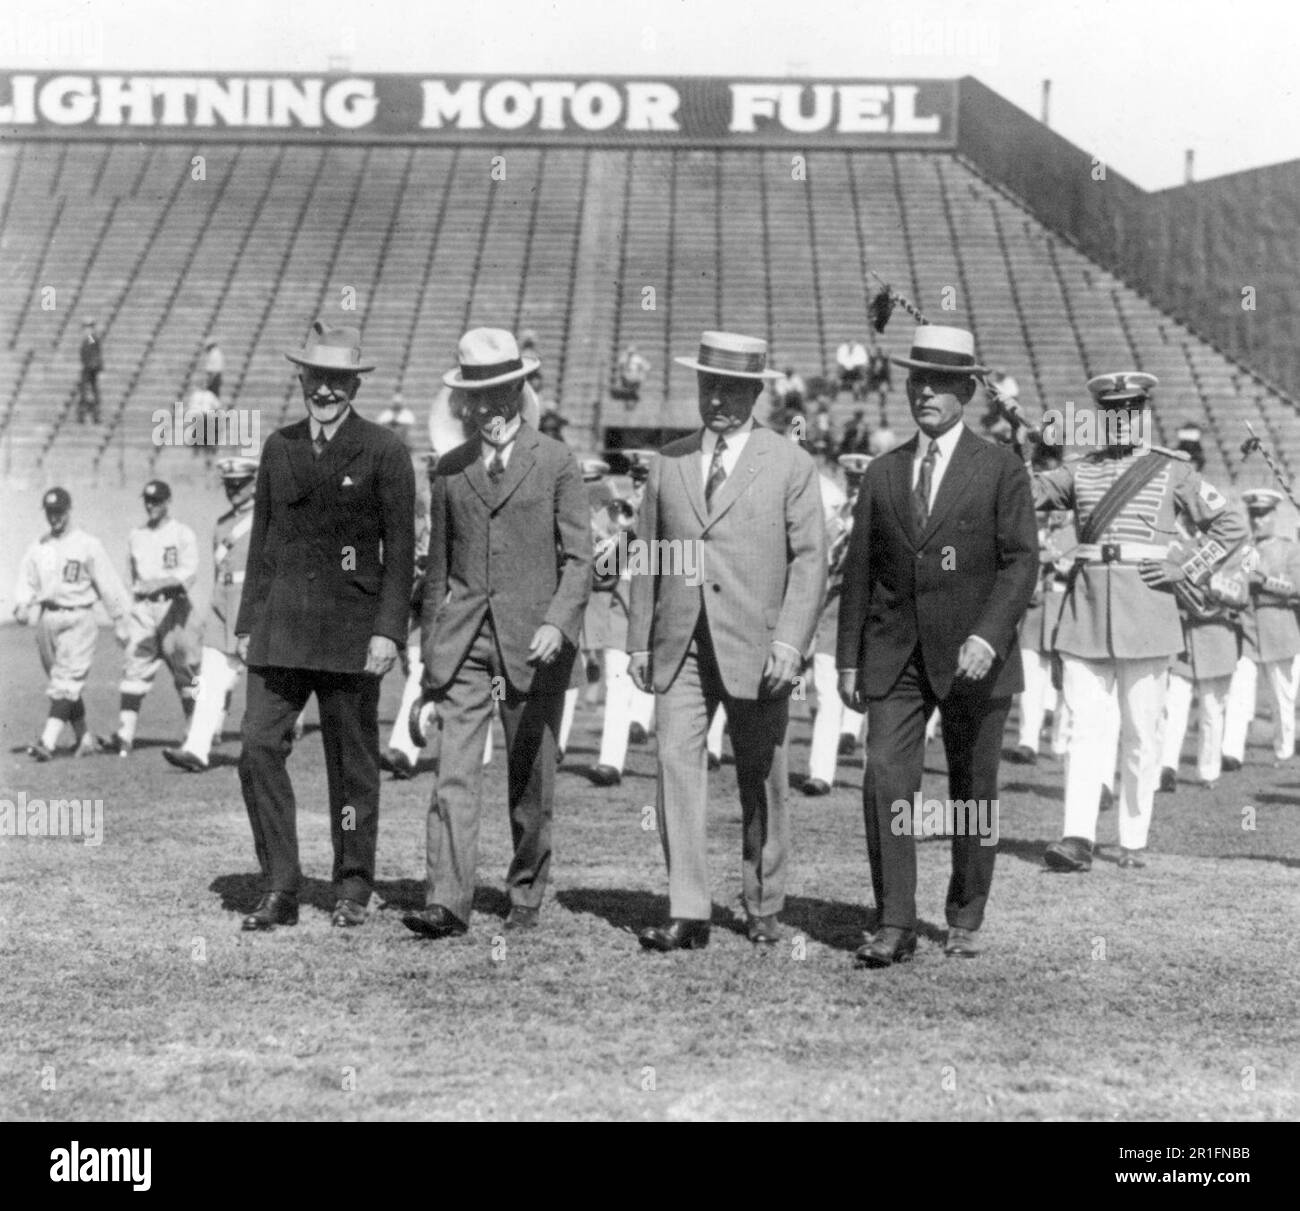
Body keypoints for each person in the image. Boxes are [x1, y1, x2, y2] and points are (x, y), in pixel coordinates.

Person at [837, 325, 1039, 967]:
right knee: (886, 780)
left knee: (972, 790)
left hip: (975, 657)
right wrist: (848, 659)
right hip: (894, 656)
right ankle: (894, 920)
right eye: (916, 379)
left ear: (968, 391)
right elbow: (860, 573)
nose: (924, 391)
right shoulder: (884, 472)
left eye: (940, 382)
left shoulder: (1002, 469)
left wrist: (988, 633)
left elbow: (1020, 563)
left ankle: (964, 914)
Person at [629, 330, 826, 952]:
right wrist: (639, 641)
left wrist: (791, 644)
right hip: (679, 643)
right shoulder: (670, 461)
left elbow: (811, 560)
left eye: (734, 389)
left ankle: (764, 902)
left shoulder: (790, 462)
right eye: (709, 385)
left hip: (759, 647)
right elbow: (650, 557)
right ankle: (688, 908)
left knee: (761, 776)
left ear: (755, 393)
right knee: (675, 766)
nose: (719, 399)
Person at [403, 329, 590, 940]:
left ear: (518, 391)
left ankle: (527, 889)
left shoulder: (559, 462)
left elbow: (580, 561)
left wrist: (557, 623)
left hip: (534, 644)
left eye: (498, 393)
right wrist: (430, 658)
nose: (486, 408)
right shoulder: (449, 470)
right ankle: (446, 901)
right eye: (474, 397)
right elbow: (436, 576)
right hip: (463, 645)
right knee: (453, 774)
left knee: (529, 780)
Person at [236, 321, 415, 931]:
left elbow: (402, 546)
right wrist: (245, 622)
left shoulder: (385, 450)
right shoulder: (279, 446)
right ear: (303, 379)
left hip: (350, 630)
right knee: (258, 747)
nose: (326, 391)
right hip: (281, 628)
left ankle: (352, 882)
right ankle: (281, 884)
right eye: (317, 379)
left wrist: (389, 630)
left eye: (338, 381)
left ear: (354, 385)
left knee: (351, 763)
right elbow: (262, 537)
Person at [1032, 372, 1247, 872]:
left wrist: (1185, 566)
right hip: (1086, 609)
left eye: (1130, 411)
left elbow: (1230, 525)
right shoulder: (1077, 470)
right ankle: (1077, 837)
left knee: (1141, 731)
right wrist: (1033, 449)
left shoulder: (1172, 471)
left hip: (1147, 608)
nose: (1121, 420)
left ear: (1144, 415)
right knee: (1086, 727)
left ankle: (1132, 836)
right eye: (1111, 412)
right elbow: (1024, 496)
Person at [13, 487, 130, 760]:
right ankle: (85, 738)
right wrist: (22, 603)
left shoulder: (88, 544)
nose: (54, 517)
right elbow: (27, 579)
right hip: (48, 619)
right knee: (63, 682)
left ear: (68, 510)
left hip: (79, 616)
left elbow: (108, 584)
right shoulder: (39, 546)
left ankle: (47, 742)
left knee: (67, 681)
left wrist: (120, 620)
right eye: (50, 512)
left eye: (58, 511)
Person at [162, 457, 259, 773]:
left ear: (254, 483)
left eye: (240, 483)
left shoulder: (266, 520)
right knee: (209, 680)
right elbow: (220, 571)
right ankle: (196, 750)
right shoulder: (221, 525)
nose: (234, 489)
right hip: (222, 606)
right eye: (229, 484)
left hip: (255, 607)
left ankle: (267, 750)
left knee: (267, 684)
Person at [104, 481, 202, 757]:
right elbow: (130, 578)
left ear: (168, 501)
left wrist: (159, 584)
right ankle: (124, 736)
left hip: (174, 608)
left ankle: (194, 733)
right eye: (147, 501)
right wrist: (126, 616)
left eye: (157, 501)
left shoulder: (182, 533)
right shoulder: (137, 535)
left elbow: (189, 573)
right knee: (134, 668)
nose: (151, 506)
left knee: (187, 672)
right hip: (144, 611)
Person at [803, 451, 869, 795]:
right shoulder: (832, 518)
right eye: (852, 482)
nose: (856, 487)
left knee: (876, 698)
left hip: (873, 615)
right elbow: (817, 560)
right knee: (828, 694)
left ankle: (878, 779)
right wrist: (839, 532)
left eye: (862, 482)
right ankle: (821, 773)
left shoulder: (888, 518)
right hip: (836, 611)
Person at [1222, 488, 1300, 769]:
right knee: (1239, 693)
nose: (1257, 521)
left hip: (1280, 630)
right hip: (1248, 632)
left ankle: (1283, 749)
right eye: (1253, 515)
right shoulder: (1244, 550)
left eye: (1262, 515)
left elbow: (1297, 588)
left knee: (1282, 699)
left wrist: (1263, 581)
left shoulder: (1290, 549)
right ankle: (1231, 752)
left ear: (1273, 515)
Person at [78, 319, 103, 424]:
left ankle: (92, 416)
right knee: (86, 393)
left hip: (90, 369)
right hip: (88, 368)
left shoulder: (91, 337)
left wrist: (93, 365)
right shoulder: (89, 338)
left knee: (89, 393)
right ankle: (86, 416)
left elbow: (93, 350)